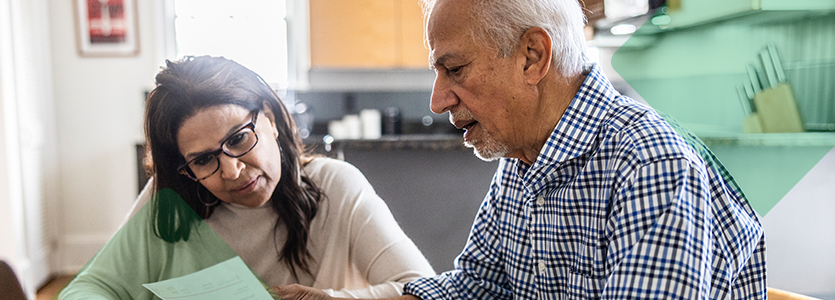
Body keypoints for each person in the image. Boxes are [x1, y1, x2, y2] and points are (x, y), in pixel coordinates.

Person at [274, 0, 766, 299]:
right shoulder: (523, 157)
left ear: (532, 56)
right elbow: (476, 289)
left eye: (455, 69)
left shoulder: (650, 162)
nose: (438, 99)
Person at [59, 56, 435, 299]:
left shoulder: (335, 185)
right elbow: (92, 287)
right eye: (204, 160)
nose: (232, 170)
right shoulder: (173, 201)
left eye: (239, 139)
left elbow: (423, 288)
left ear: (270, 118)